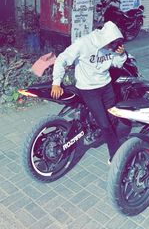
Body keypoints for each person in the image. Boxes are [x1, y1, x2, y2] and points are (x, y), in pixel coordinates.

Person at [51, 21, 127, 162]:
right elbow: (62, 58)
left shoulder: (112, 46)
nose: (112, 48)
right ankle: (115, 157)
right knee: (105, 125)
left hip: (106, 85)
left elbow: (117, 63)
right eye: (111, 45)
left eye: (115, 45)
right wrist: (56, 82)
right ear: (104, 39)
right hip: (88, 89)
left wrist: (121, 54)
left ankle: (96, 132)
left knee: (112, 118)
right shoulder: (83, 43)